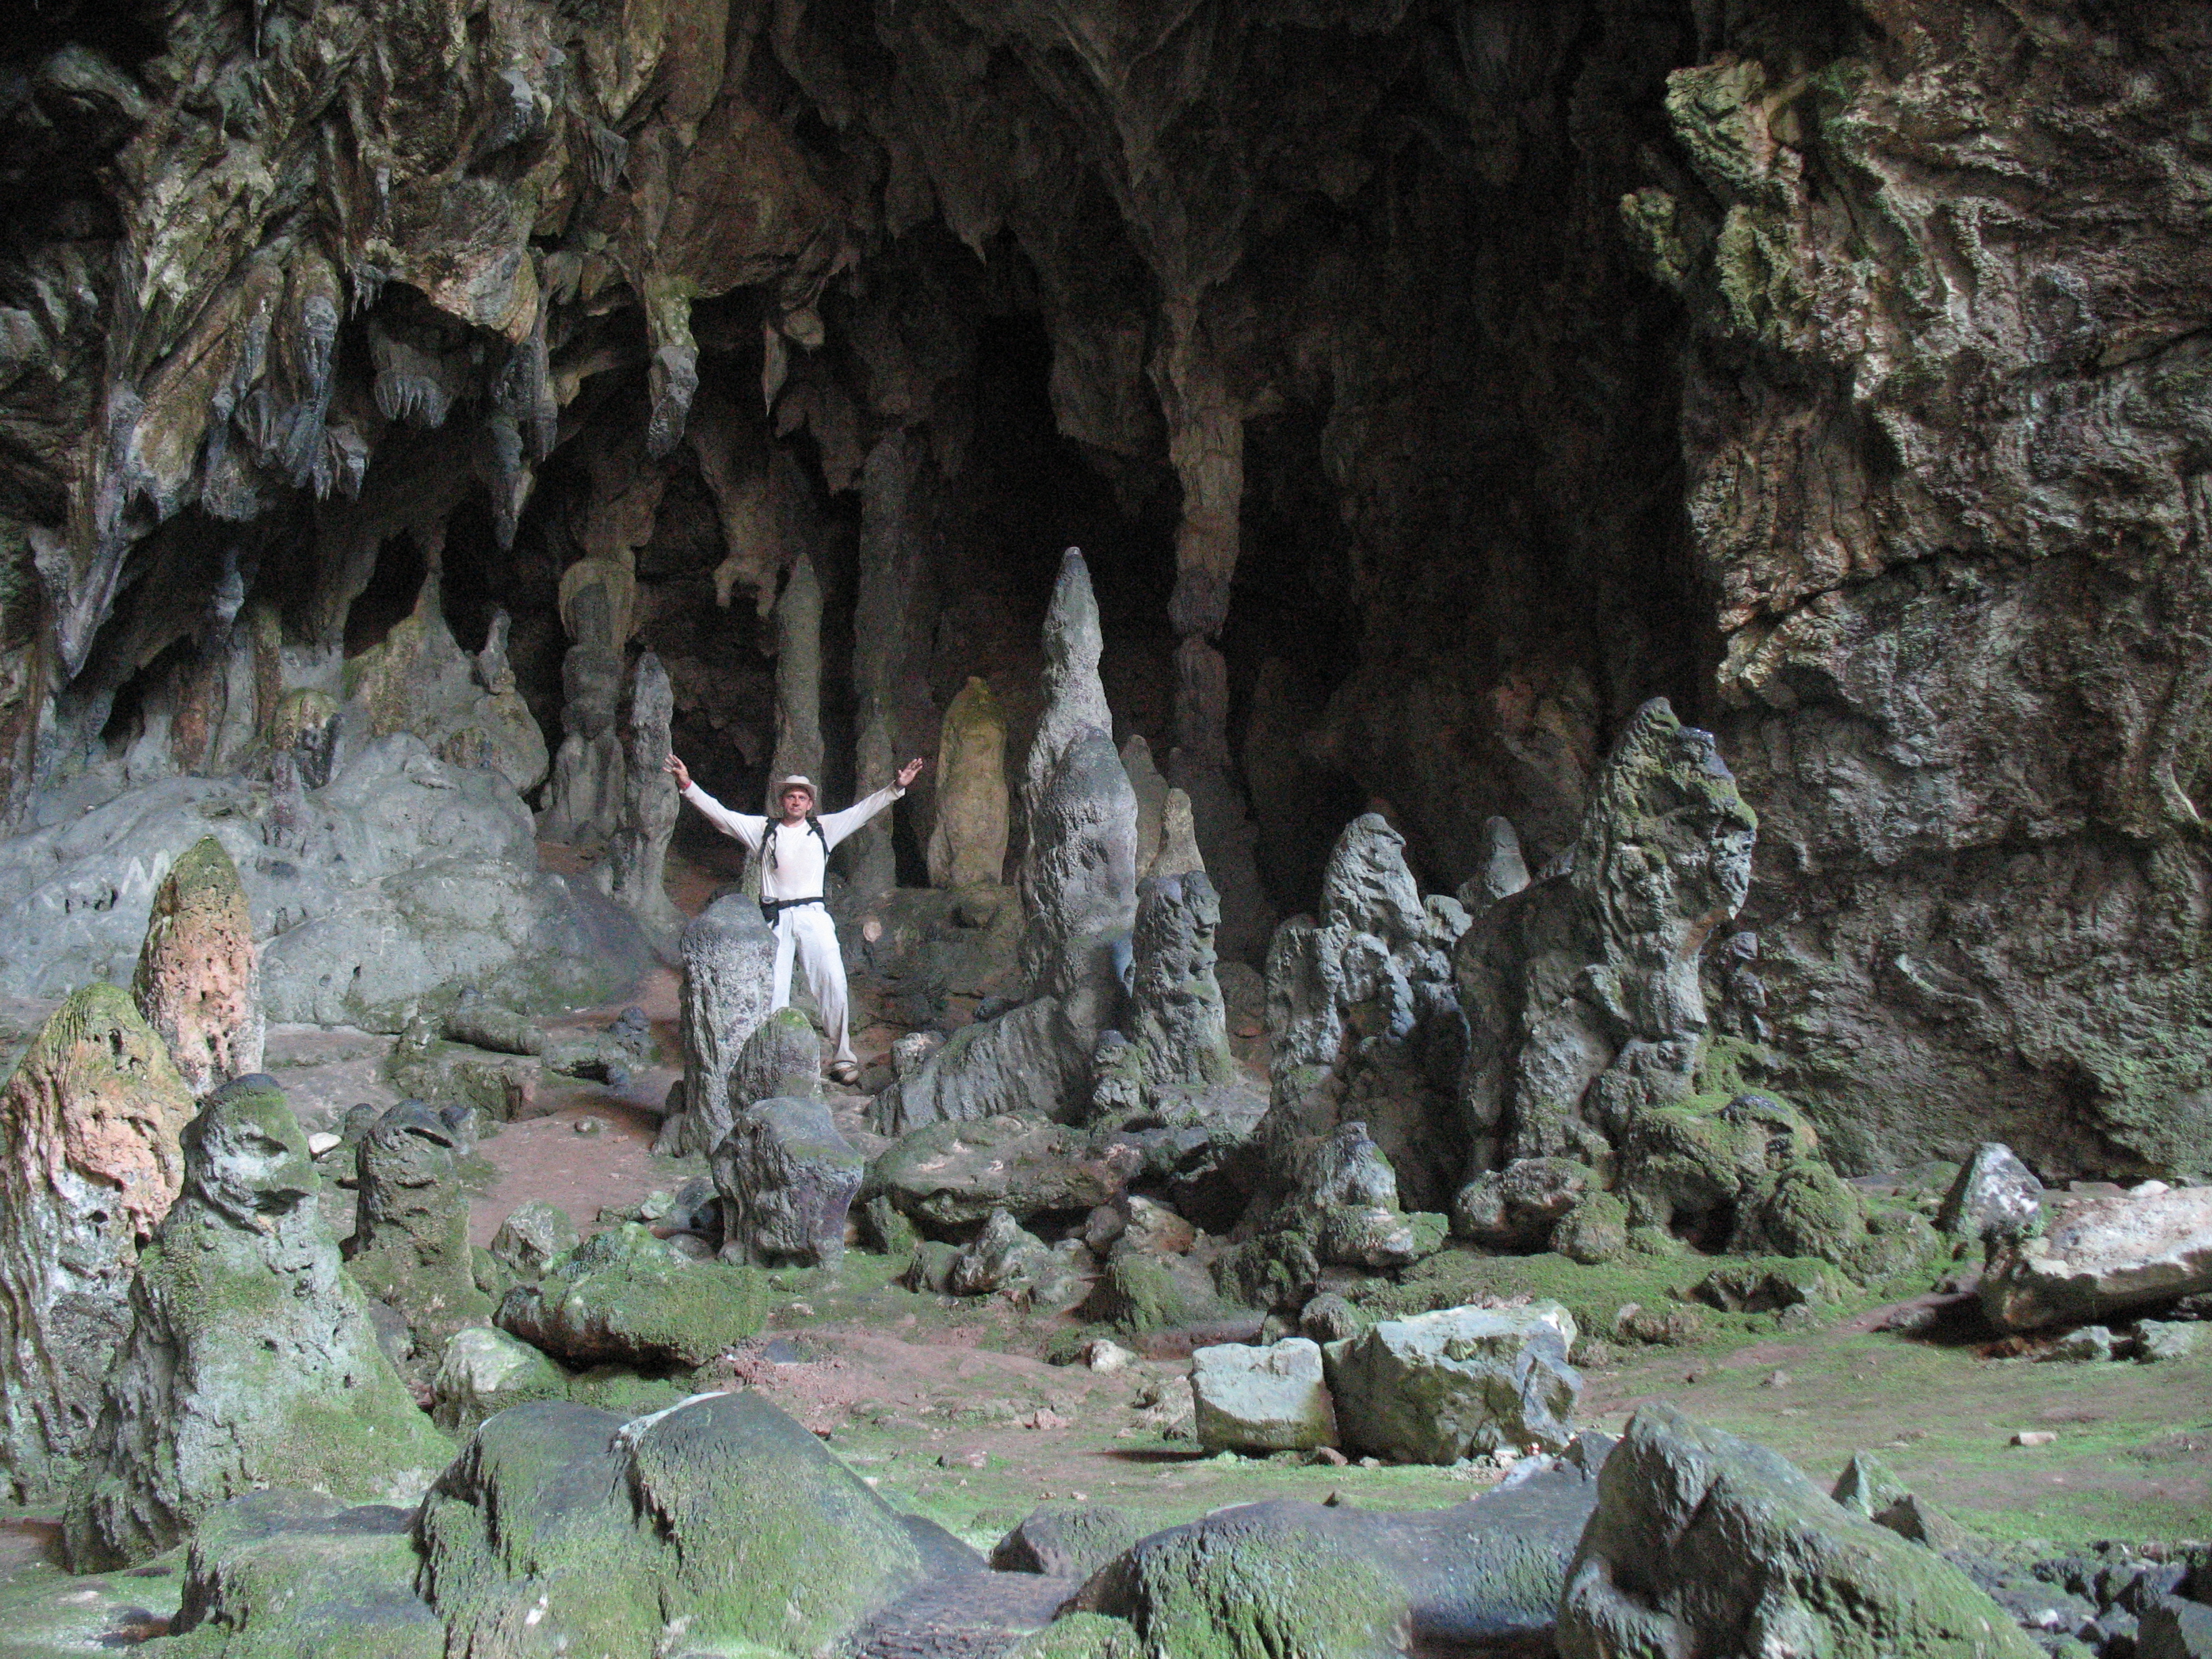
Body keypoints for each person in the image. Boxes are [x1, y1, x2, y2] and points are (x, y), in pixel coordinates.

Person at [664, 754, 926, 1085]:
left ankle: (843, 1058)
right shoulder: (764, 830)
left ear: (810, 803)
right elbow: (721, 815)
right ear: (782, 800)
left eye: (802, 797)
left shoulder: (823, 829)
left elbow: (861, 812)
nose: (796, 801)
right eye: (791, 796)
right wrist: (687, 786)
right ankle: (773, 1058)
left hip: (813, 916)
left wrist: (895, 788)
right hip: (775, 918)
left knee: (833, 982)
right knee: (773, 991)